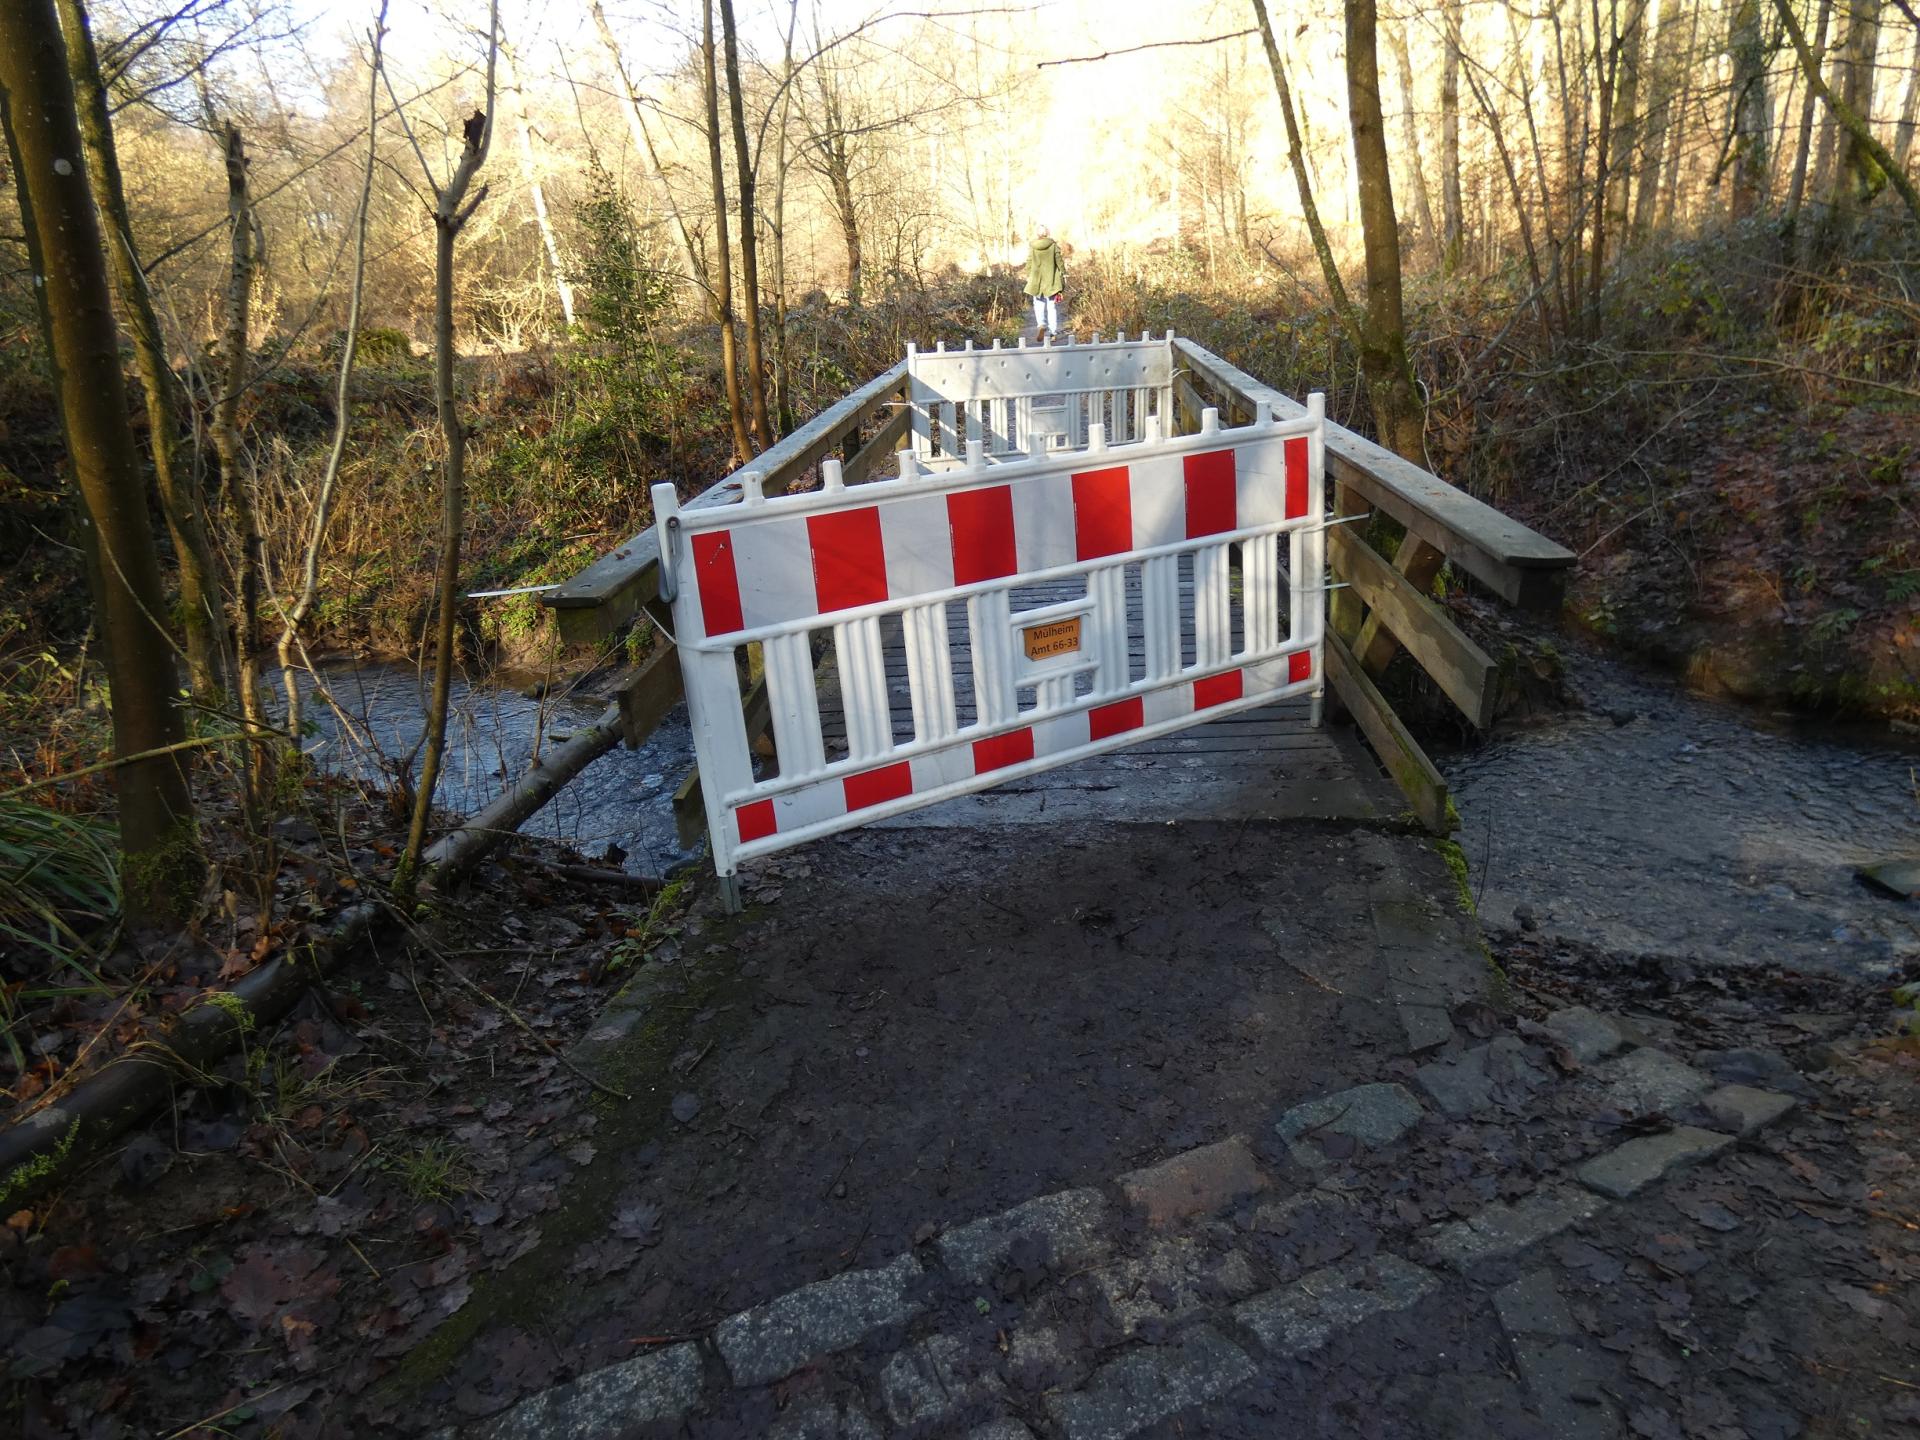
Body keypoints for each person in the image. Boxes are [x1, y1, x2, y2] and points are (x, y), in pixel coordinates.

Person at [1024, 225, 1066, 339]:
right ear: (1047, 233)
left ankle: (1041, 324)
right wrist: (1063, 272)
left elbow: (1029, 261)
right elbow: (1059, 260)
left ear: (1037, 234)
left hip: (1037, 281)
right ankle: (1053, 332)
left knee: (1038, 304)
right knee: (1051, 307)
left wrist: (1028, 274)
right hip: (1051, 280)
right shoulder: (1053, 245)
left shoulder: (1033, 246)